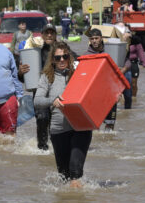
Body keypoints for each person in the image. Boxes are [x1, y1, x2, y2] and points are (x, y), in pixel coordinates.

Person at [34, 41, 92, 188]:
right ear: (52, 59)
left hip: (80, 128)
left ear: (69, 57)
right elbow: (37, 100)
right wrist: (52, 101)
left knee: (74, 173)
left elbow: (96, 89)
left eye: (65, 56)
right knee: (64, 177)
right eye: (58, 57)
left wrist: (114, 94)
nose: (61, 60)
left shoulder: (79, 74)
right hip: (58, 130)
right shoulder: (47, 77)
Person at [83, 28, 131, 131]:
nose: (94, 41)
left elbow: (127, 62)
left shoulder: (111, 50)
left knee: (110, 125)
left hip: (111, 92)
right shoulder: (86, 56)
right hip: (95, 94)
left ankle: (108, 142)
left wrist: (122, 71)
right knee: (96, 124)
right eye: (92, 39)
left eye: (96, 38)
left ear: (101, 38)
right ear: (89, 40)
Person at [129, 28, 145, 97]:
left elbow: (141, 52)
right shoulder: (120, 41)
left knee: (134, 84)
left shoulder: (136, 41)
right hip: (124, 64)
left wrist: (144, 62)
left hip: (133, 64)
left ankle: (134, 98)